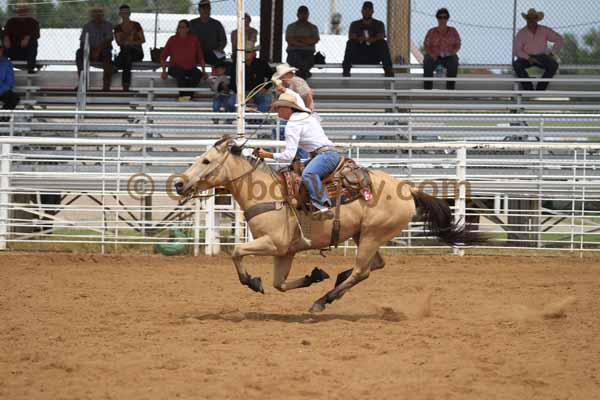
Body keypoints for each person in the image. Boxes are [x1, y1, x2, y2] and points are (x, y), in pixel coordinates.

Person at [255, 89, 339, 217]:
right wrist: (285, 89)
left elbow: (289, 156)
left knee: (309, 174)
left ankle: (323, 206)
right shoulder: (304, 115)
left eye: (279, 108)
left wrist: (268, 155)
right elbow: (297, 98)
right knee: (300, 173)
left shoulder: (292, 124)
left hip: (325, 156)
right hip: (327, 154)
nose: (277, 111)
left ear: (289, 108)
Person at [513, 8, 563, 91]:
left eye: (533, 18)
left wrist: (552, 53)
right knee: (517, 65)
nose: (531, 20)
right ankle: (528, 89)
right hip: (527, 57)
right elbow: (517, 50)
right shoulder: (521, 33)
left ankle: (540, 88)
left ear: (537, 19)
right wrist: (528, 57)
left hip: (541, 56)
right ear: (526, 20)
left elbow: (559, 39)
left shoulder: (544, 30)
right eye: (529, 18)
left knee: (554, 65)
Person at [342, 1, 393, 78]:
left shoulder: (379, 24)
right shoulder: (355, 24)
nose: (367, 12)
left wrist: (372, 39)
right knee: (350, 43)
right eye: (365, 10)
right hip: (359, 54)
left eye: (369, 10)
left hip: (373, 55)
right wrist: (360, 39)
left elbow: (381, 36)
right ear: (361, 11)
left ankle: (388, 71)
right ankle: (346, 70)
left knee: (383, 43)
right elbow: (351, 36)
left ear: (372, 12)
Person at [161, 20, 205, 101]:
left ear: (188, 29)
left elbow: (200, 56)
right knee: (180, 74)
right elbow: (163, 56)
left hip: (190, 68)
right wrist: (164, 71)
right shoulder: (172, 39)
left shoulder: (194, 40)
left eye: (183, 27)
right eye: (179, 27)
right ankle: (183, 97)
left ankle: (188, 97)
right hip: (175, 67)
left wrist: (204, 71)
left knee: (198, 74)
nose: (181, 29)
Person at [229, 42, 273, 113]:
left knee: (267, 99)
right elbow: (233, 82)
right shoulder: (236, 65)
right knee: (231, 102)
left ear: (254, 53)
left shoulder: (261, 63)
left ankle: (258, 120)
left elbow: (272, 76)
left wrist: (265, 87)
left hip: (258, 92)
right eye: (244, 52)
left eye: (248, 52)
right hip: (241, 93)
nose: (246, 54)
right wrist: (244, 96)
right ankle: (233, 121)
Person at [76, 7, 113, 91]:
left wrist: (98, 50)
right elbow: (82, 42)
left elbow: (109, 40)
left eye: (100, 12)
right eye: (95, 13)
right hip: (90, 50)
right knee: (79, 53)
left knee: (107, 54)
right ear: (92, 15)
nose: (97, 15)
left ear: (103, 15)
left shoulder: (108, 25)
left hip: (103, 50)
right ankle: (82, 83)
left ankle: (106, 86)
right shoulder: (87, 26)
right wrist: (90, 50)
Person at [423, 8, 461, 90]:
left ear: (448, 18)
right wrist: (431, 54)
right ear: (437, 18)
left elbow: (458, 44)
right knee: (427, 60)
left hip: (448, 57)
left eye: (445, 17)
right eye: (440, 17)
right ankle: (427, 89)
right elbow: (426, 45)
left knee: (454, 61)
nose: (442, 19)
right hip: (434, 56)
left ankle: (450, 89)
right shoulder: (431, 31)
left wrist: (453, 52)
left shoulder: (453, 31)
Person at [113, 4, 145, 91]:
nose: (125, 15)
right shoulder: (118, 27)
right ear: (120, 14)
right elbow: (119, 43)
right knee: (127, 58)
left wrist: (131, 42)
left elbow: (143, 40)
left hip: (137, 52)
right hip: (126, 54)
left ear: (129, 13)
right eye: (123, 13)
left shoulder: (136, 25)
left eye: (126, 13)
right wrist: (127, 41)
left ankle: (116, 64)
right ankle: (125, 86)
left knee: (127, 52)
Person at [3, 2, 40, 74]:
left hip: (27, 52)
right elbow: (5, 32)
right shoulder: (11, 21)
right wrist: (6, 37)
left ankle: (30, 69)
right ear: (17, 12)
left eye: (24, 11)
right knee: (3, 45)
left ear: (27, 12)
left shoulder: (33, 22)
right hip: (13, 50)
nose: (22, 13)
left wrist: (27, 37)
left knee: (33, 42)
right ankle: (3, 68)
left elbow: (37, 35)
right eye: (20, 11)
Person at [285, 6, 320, 79]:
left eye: (305, 14)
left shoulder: (313, 27)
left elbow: (315, 39)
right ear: (298, 15)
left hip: (308, 53)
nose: (304, 16)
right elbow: (290, 40)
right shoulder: (291, 27)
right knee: (296, 59)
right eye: (302, 14)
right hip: (293, 52)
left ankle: (301, 73)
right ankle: (304, 72)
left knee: (308, 60)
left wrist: (298, 39)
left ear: (308, 15)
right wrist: (306, 41)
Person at [190, 0, 227, 66]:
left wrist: (219, 49)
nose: (205, 11)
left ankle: (217, 75)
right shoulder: (192, 23)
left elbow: (223, 40)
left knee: (222, 57)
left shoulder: (216, 24)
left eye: (207, 8)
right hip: (195, 52)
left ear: (210, 9)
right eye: (203, 8)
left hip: (212, 52)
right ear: (199, 10)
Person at [0, 43, 20, 121]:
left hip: (3, 90)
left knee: (14, 98)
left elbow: (10, 79)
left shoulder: (6, 62)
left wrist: (5, 88)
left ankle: (3, 119)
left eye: (0, 50)